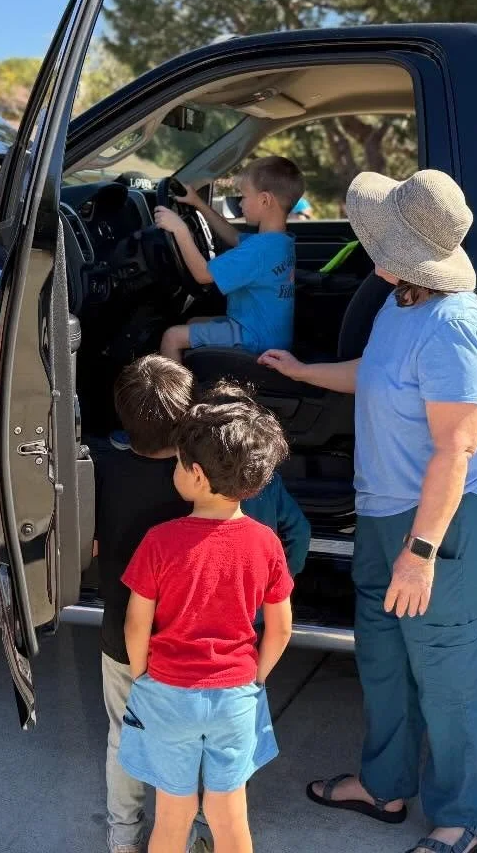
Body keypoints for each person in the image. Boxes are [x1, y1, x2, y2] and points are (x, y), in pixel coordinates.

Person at [259, 169, 477, 853]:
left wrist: (421, 551)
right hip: (383, 512)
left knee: (447, 671)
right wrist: (305, 373)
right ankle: (385, 786)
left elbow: (456, 450)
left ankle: (462, 818)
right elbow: (373, 370)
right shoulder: (400, 302)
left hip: (444, 520)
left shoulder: (454, 325)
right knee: (384, 659)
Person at [94, 357, 310, 853]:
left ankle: (124, 833)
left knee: (150, 784)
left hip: (157, 679)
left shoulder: (149, 525)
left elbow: (134, 620)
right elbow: (280, 628)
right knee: (230, 814)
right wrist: (255, 678)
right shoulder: (260, 538)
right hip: (234, 689)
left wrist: (145, 673)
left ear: (192, 474)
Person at [155, 156, 303, 361]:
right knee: (193, 321)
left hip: (254, 340)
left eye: (243, 196)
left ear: (264, 200)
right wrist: (198, 203)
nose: (240, 203)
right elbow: (233, 236)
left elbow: (203, 275)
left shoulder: (258, 251)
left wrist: (180, 229)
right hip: (269, 334)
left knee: (171, 337)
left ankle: (176, 394)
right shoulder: (279, 242)